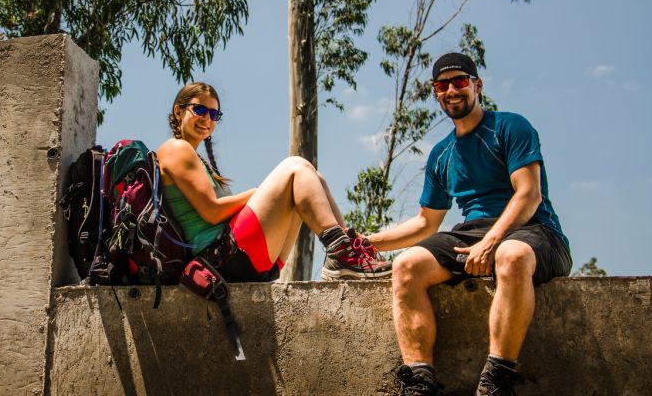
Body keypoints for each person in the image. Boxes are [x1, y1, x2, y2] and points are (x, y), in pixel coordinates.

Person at [367, 53, 572, 396]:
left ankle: (495, 382)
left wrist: (491, 242)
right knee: (406, 266)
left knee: (510, 255)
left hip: (535, 231)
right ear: (436, 93)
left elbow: (528, 194)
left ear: (477, 85)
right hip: (473, 233)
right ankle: (420, 382)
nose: (451, 90)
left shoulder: (510, 126)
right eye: (442, 85)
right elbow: (425, 223)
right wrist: (368, 242)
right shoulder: (442, 154)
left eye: (460, 81)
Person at [157, 81, 391, 282]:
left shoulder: (194, 157)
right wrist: (257, 192)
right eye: (200, 109)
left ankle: (350, 249)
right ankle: (341, 254)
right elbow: (212, 212)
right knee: (296, 168)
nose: (207, 118)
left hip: (237, 259)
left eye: (214, 114)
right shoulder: (176, 148)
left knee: (312, 179)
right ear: (178, 111)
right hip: (218, 259)